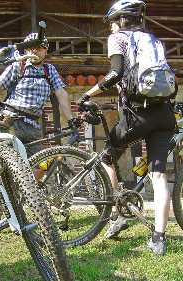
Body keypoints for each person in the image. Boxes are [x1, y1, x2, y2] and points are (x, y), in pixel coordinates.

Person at [77, 0, 177, 255]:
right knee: (159, 175)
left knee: (108, 157)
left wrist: (87, 95)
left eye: (112, 22)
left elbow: (116, 74)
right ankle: (159, 238)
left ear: (121, 20)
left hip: (137, 115)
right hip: (164, 114)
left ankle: (115, 212)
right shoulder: (154, 40)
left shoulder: (119, 38)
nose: (110, 27)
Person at [0, 32, 75, 157]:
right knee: (6, 162)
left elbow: (61, 93)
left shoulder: (49, 70)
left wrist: (71, 120)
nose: (35, 51)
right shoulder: (18, 66)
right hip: (11, 120)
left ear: (46, 51)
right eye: (31, 48)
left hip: (33, 125)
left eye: (39, 48)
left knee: (40, 165)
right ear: (26, 50)